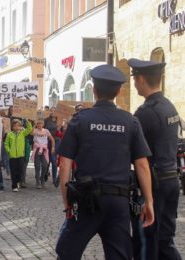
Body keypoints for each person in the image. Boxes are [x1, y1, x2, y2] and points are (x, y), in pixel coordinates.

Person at [55, 64, 154, 259]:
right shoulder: (130, 121)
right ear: (118, 91)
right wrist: (149, 201)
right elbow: (142, 164)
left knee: (67, 253)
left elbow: (65, 163)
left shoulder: (79, 120)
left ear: (93, 90)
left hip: (86, 200)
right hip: (118, 202)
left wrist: (66, 199)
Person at [128, 58, 182, 260]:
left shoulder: (145, 113)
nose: (134, 84)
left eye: (134, 79)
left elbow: (133, 152)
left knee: (146, 240)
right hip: (171, 180)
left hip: (152, 184)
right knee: (164, 240)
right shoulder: (169, 106)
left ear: (141, 79)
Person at [4, 118, 32, 192]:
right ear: (12, 127)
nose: (16, 127)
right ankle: (14, 186)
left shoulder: (22, 133)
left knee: (20, 171)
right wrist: (9, 151)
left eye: (18, 126)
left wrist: (28, 122)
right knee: (13, 171)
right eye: (15, 126)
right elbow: (6, 144)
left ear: (20, 126)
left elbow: (29, 129)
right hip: (12, 156)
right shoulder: (9, 134)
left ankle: (18, 181)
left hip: (20, 156)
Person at [31, 120, 55, 189]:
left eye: (40, 123)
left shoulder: (46, 131)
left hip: (44, 150)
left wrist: (53, 147)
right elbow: (31, 133)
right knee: (37, 166)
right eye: (38, 123)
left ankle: (42, 179)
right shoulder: (35, 130)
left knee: (45, 165)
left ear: (43, 124)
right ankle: (38, 182)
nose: (39, 125)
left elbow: (52, 139)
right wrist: (34, 125)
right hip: (37, 150)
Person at [44, 114, 60, 187]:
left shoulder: (60, 120)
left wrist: (61, 128)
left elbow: (63, 132)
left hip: (56, 141)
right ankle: (45, 173)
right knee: (47, 160)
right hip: (47, 141)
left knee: (53, 160)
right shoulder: (46, 120)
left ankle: (54, 178)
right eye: (52, 110)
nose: (53, 112)